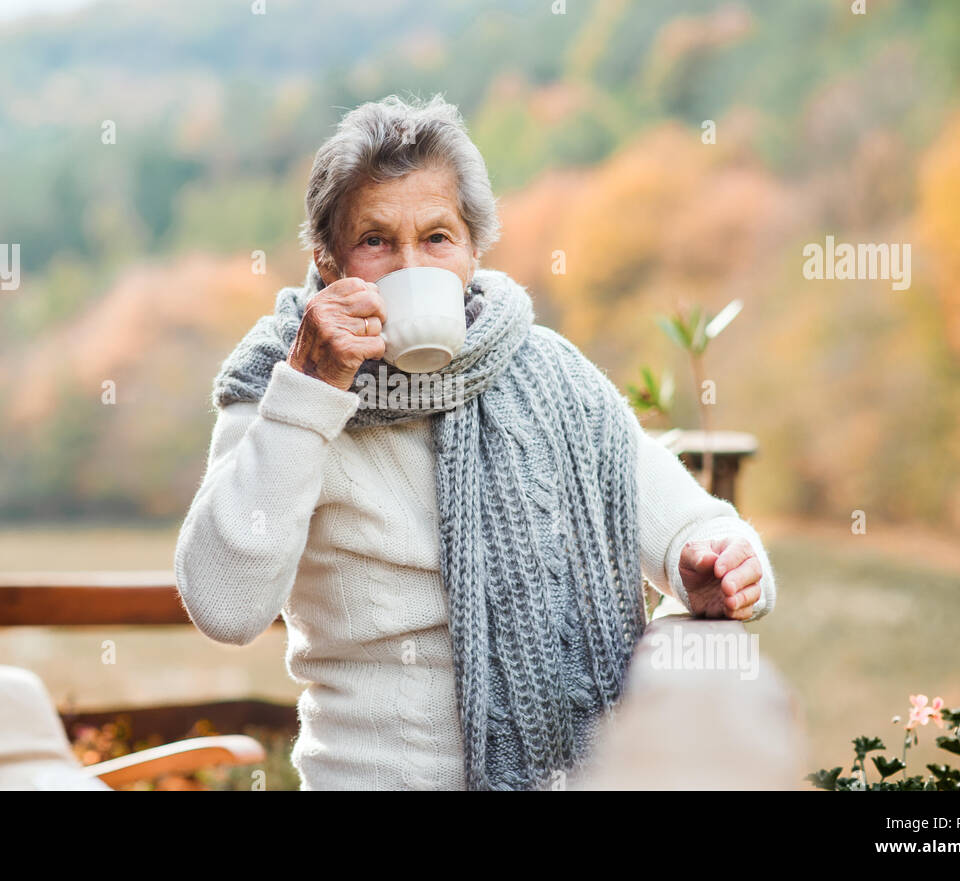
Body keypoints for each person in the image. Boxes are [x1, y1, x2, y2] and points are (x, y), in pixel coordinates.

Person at [175, 93, 777, 791]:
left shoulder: (549, 375)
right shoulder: (283, 384)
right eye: (376, 240)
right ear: (329, 261)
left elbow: (697, 526)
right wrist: (311, 387)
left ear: (471, 251)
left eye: (436, 237)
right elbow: (223, 604)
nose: (411, 268)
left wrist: (717, 568)